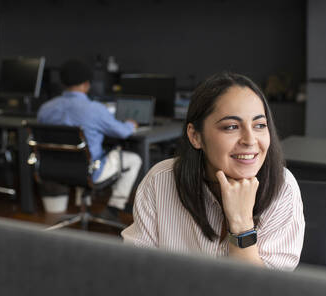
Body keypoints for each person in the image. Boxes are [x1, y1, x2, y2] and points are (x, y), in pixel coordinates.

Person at [121, 72, 304, 270]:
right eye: (232, 127)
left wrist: (242, 224)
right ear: (195, 136)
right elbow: (135, 271)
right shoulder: (159, 181)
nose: (250, 140)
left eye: (260, 125)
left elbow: (266, 289)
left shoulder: (282, 188)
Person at [37, 60, 142, 221]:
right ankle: (113, 208)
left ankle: (82, 207)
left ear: (62, 83)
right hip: (88, 171)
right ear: (87, 84)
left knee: (85, 153)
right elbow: (122, 133)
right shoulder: (95, 109)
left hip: (53, 169)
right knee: (134, 159)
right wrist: (130, 124)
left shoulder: (45, 109)